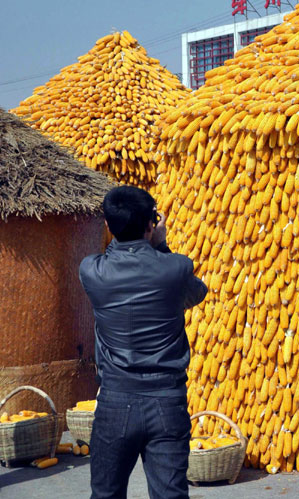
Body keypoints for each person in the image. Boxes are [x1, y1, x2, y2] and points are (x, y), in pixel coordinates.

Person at [79, 185, 207, 499]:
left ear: (108, 226)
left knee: (106, 494)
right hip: (166, 401)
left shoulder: (91, 272)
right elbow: (197, 294)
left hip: (115, 401)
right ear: (152, 223)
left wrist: (138, 236)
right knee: (170, 495)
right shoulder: (175, 268)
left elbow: (112, 253)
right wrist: (159, 246)